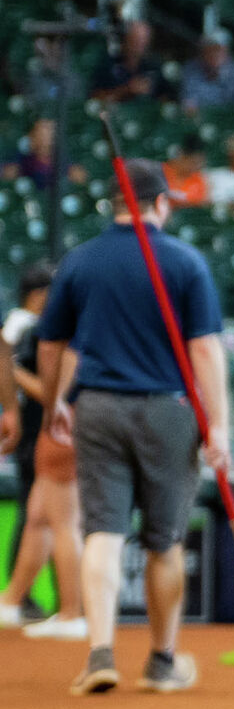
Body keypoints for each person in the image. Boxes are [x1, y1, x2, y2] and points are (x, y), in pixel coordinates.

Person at [38, 161, 229, 696]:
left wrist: (57, 400)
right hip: (168, 409)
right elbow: (207, 349)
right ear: (160, 203)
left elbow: (52, 343)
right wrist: (221, 428)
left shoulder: (81, 261)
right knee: (164, 541)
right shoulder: (185, 261)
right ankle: (162, 661)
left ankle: (100, 652)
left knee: (101, 530)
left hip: (97, 406)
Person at [0, 266, 87, 639]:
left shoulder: (68, 329)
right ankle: (12, 601)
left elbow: (57, 395)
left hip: (66, 427)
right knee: (37, 516)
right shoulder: (30, 327)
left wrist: (14, 371)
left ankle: (72, 613)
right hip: (46, 434)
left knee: (63, 520)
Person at [179, 30, 234, 113]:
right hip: (201, 118)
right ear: (203, 52)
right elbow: (189, 100)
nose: (214, 54)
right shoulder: (190, 69)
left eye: (219, 50)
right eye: (210, 50)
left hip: (230, 119)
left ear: (227, 51)